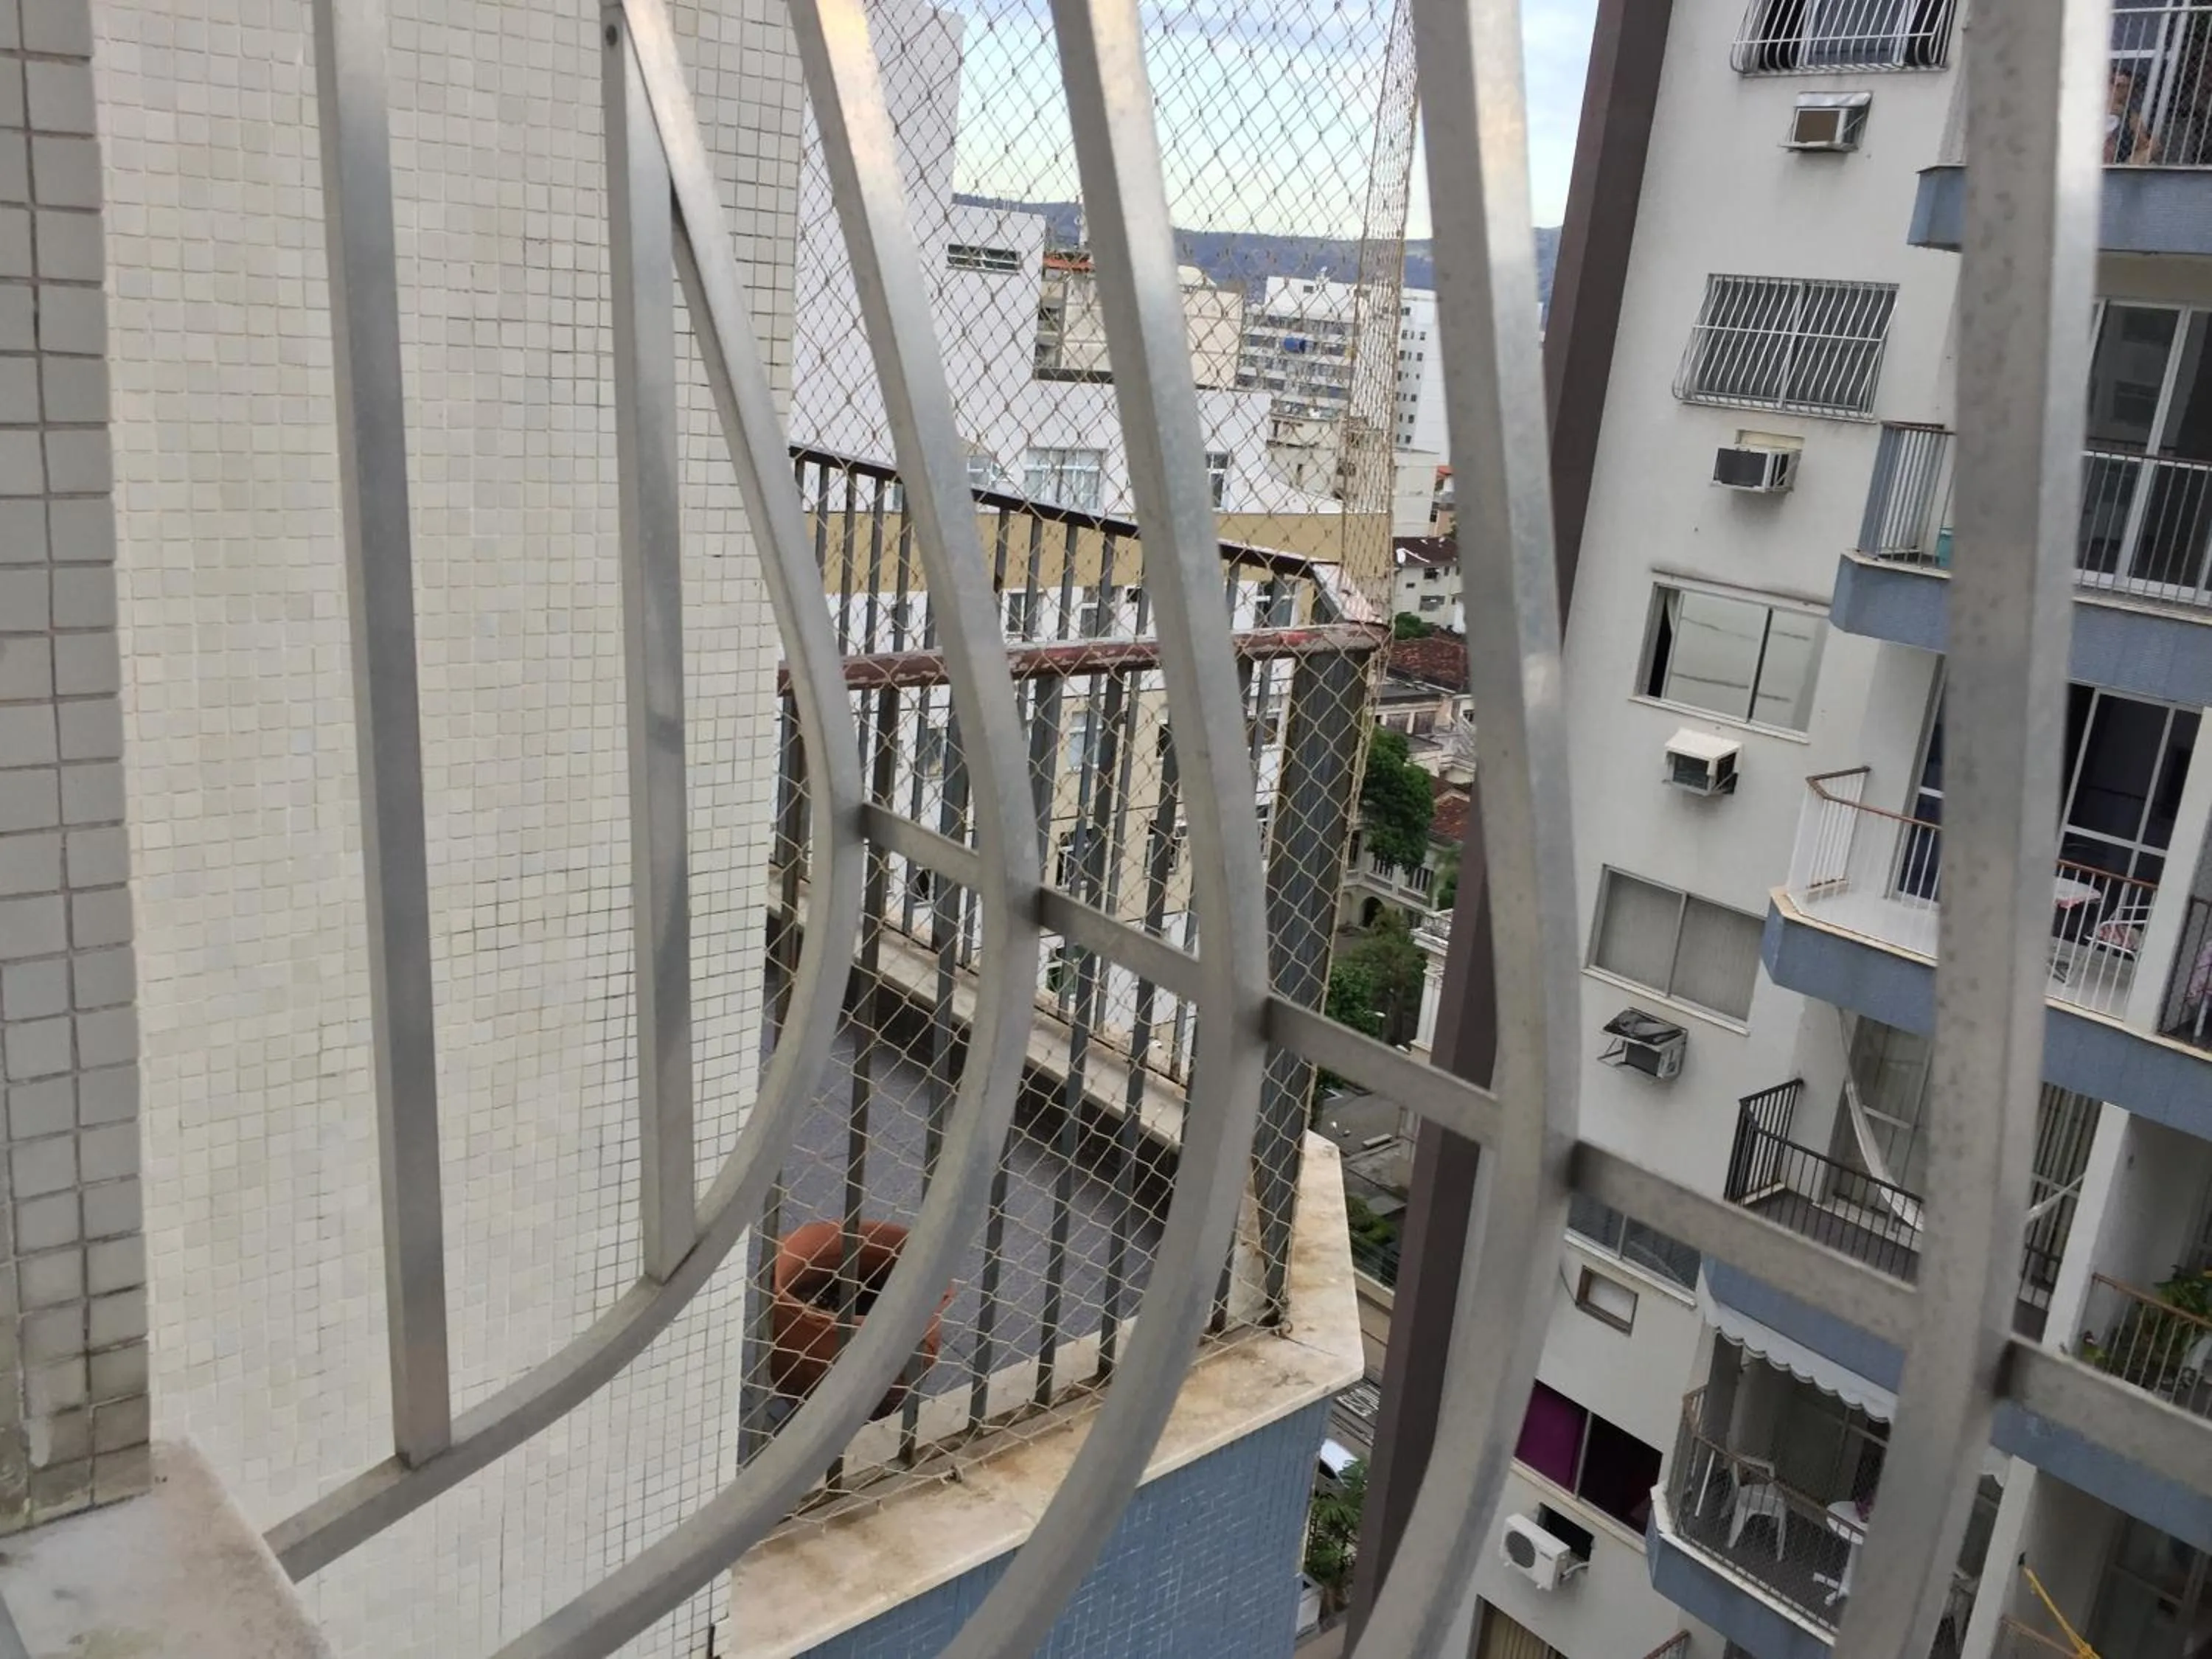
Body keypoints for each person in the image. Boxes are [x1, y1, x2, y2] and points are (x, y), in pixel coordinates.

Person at [2109, 64, 2162, 164]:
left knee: (2152, 148)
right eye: (2117, 86)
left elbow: (2145, 144)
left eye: (2127, 87)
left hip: (2120, 161)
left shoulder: (2131, 116)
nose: (2121, 91)